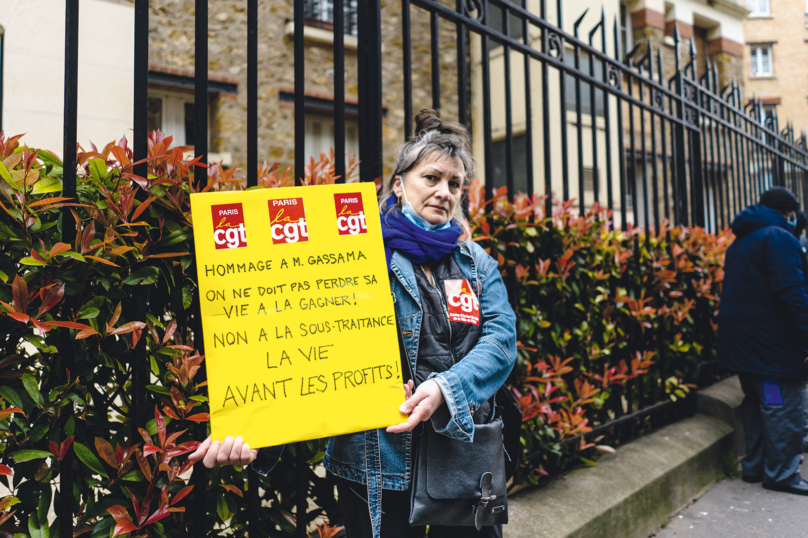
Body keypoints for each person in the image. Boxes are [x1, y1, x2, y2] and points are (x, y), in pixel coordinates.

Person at [189, 109, 518, 537]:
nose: (444, 192)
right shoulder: (352, 256)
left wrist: (444, 388)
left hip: (462, 457)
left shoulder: (477, 264)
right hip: (373, 464)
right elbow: (305, 346)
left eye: (455, 184)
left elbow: (500, 342)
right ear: (399, 184)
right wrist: (251, 431)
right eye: (432, 178)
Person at [718, 186, 808, 494]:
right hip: (772, 351)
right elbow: (792, 295)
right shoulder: (779, 237)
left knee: (758, 404)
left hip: (746, 348)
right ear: (788, 212)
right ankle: (782, 473)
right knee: (779, 405)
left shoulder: (740, 241)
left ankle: (755, 467)